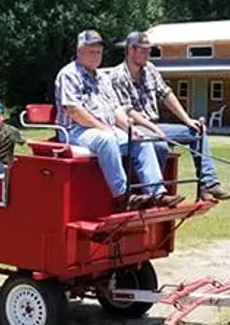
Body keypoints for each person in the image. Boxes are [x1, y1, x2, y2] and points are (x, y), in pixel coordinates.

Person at [55, 29, 182, 211]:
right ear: (79, 51)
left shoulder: (102, 78)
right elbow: (74, 111)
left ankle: (157, 194)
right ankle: (123, 196)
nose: (96, 56)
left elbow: (117, 109)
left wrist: (129, 128)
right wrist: (103, 128)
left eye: (98, 52)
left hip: (104, 129)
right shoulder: (69, 74)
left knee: (140, 140)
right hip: (75, 131)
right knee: (106, 140)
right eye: (91, 51)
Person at [111, 31, 230, 202]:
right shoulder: (118, 76)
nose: (148, 54)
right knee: (160, 146)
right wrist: (155, 129)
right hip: (136, 129)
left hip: (157, 126)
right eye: (143, 50)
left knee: (197, 132)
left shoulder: (150, 69)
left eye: (149, 50)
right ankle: (154, 194)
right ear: (130, 50)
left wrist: (187, 120)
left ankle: (208, 185)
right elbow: (128, 111)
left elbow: (166, 94)